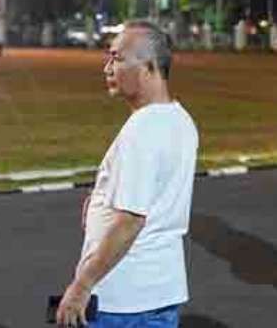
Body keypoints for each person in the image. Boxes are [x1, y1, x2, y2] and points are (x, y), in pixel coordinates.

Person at [56, 20, 199, 327]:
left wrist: (82, 286)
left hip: (122, 299)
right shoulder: (181, 119)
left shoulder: (142, 129)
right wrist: (101, 201)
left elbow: (131, 219)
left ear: (149, 67)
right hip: (161, 290)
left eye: (117, 58)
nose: (107, 68)